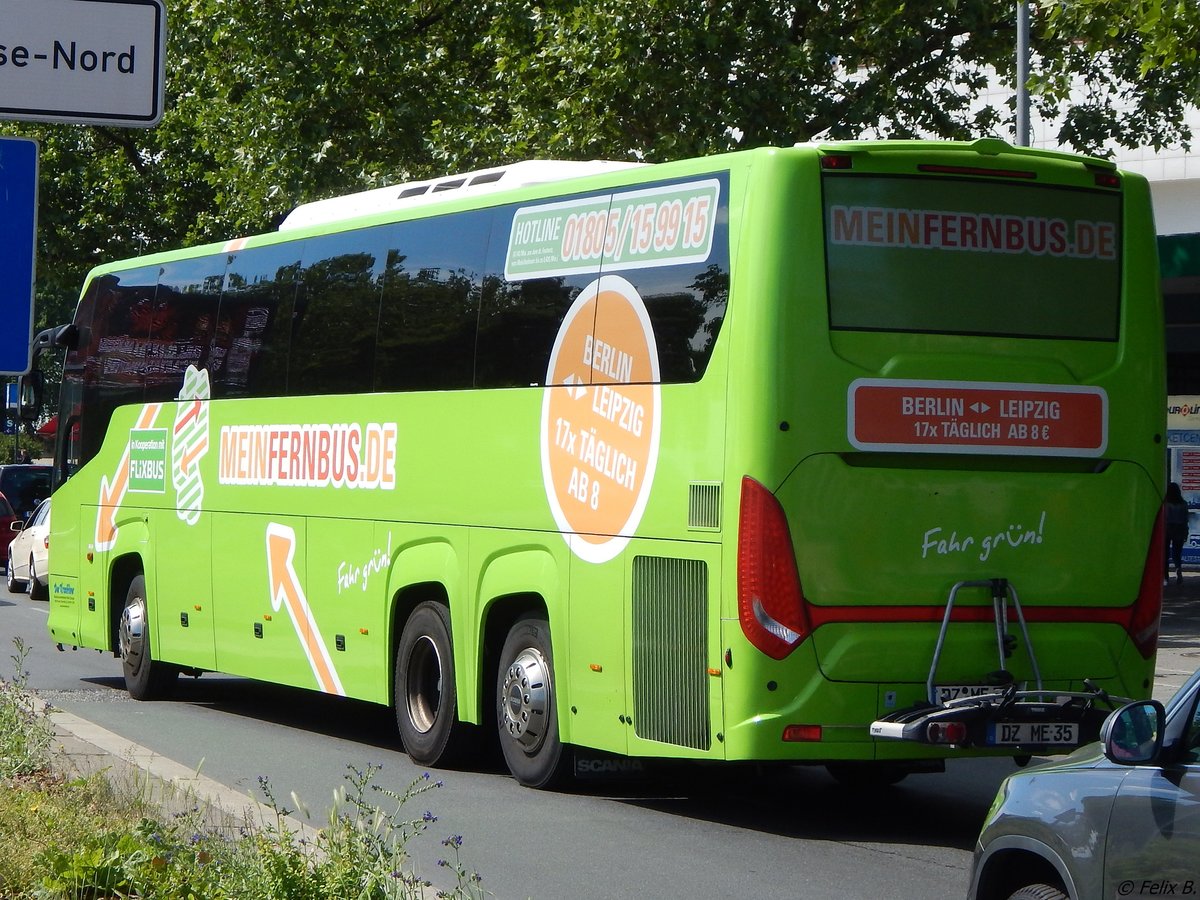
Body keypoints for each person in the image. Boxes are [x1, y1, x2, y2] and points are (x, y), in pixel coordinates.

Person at [1165, 481, 1189, 585]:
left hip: (1167, 528)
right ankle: (1178, 570)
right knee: (1177, 554)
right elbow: (1185, 519)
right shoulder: (1183, 504)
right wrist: (1186, 532)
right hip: (1180, 528)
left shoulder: (1165, 503)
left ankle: (1165, 576)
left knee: (1165, 554)